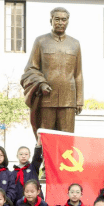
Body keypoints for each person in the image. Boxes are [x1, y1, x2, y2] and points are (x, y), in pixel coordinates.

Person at [21, 7, 83, 138]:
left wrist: (79, 100)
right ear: (51, 21)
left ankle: (64, 160)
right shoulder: (41, 41)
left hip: (68, 100)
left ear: (68, 22)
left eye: (64, 19)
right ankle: (45, 159)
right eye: (57, 19)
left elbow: (78, 74)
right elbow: (31, 68)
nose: (60, 22)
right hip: (46, 99)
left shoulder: (75, 44)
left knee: (66, 140)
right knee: (46, 138)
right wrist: (41, 83)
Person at [13, 139, 43, 205]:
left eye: (26, 154)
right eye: (21, 154)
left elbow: (37, 157)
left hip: (34, 201)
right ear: (17, 156)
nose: (23, 156)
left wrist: (38, 144)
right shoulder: (13, 173)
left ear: (29, 156)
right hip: (19, 202)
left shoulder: (33, 167)